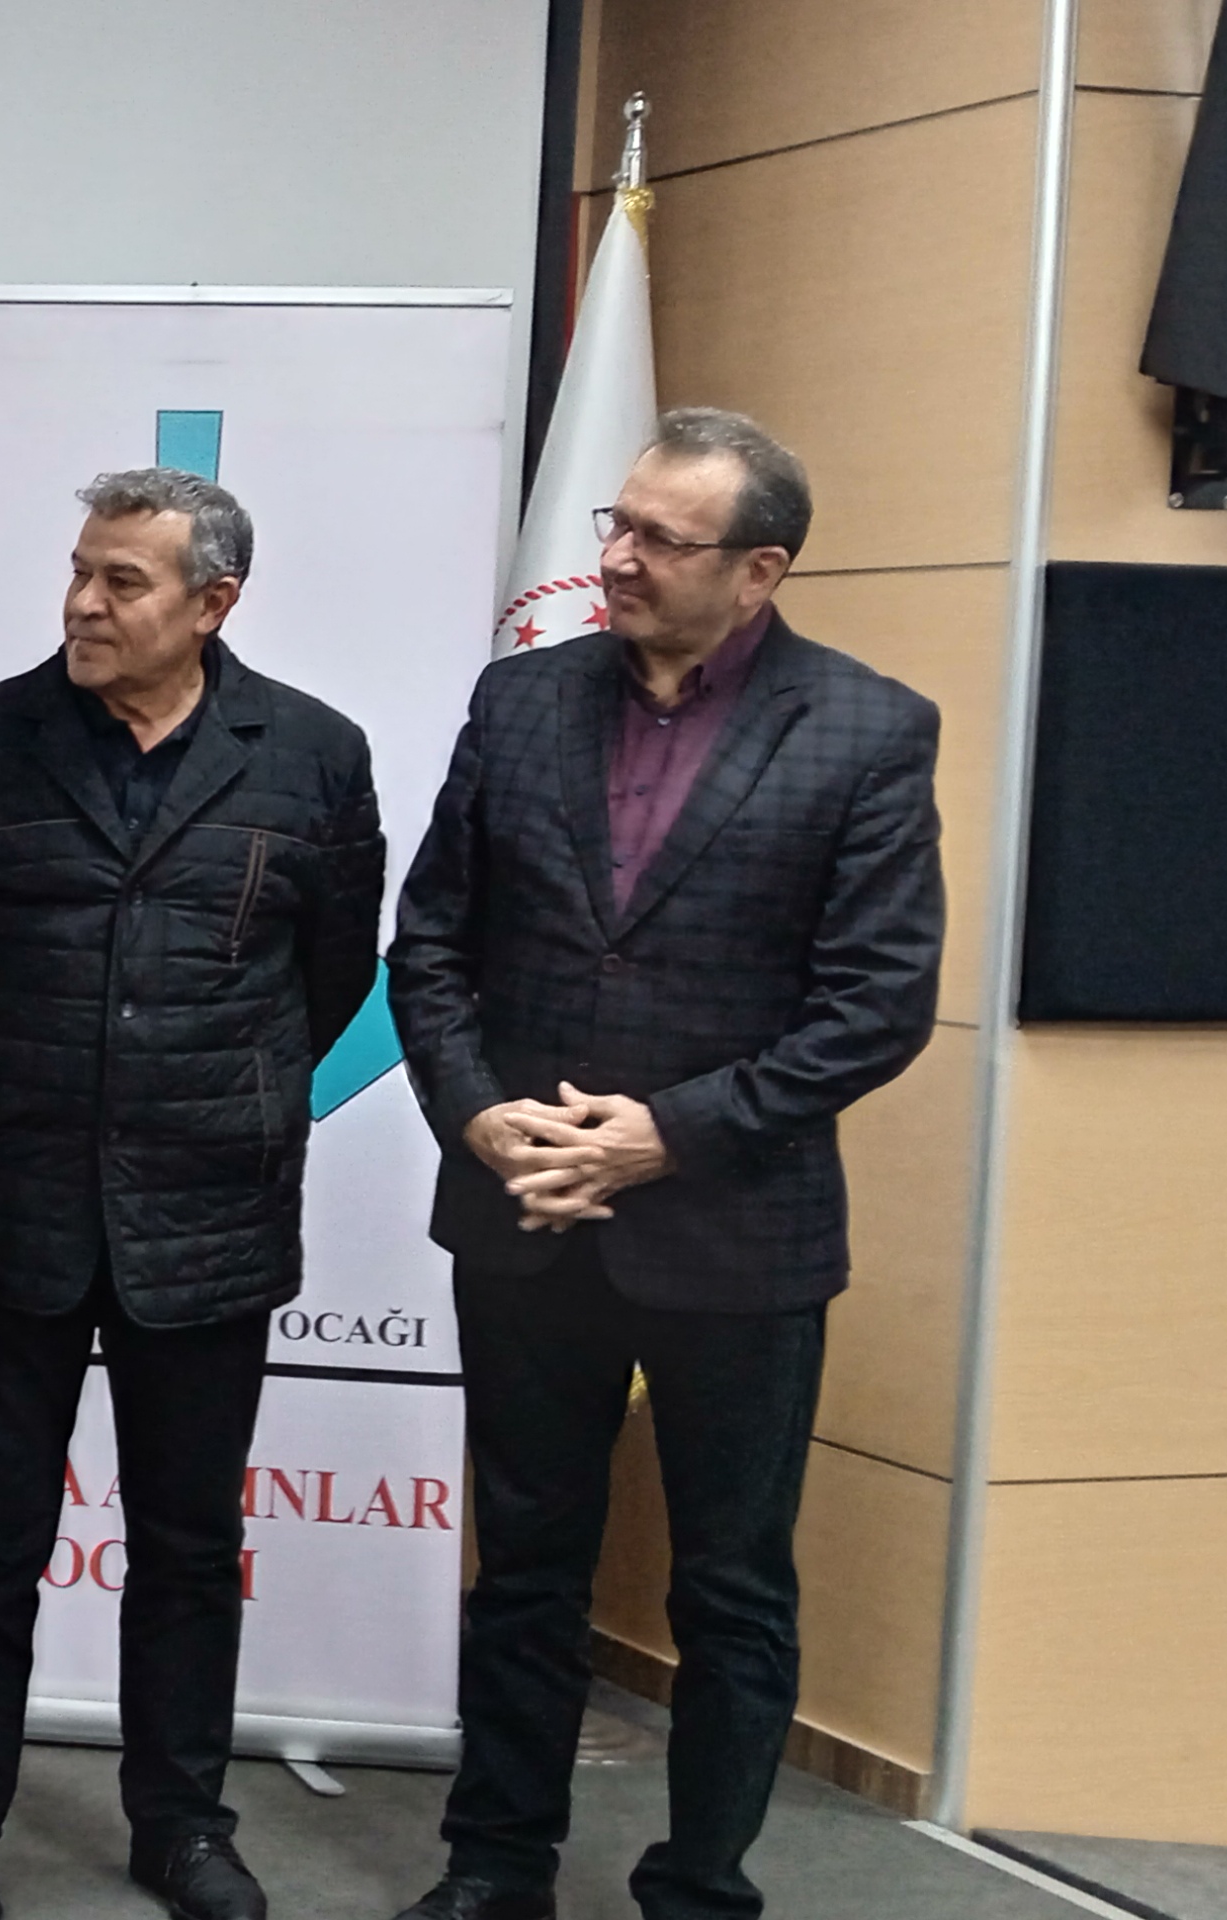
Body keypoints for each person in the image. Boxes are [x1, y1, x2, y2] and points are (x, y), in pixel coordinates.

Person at [383, 409, 942, 1920]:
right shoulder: (519, 703)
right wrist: (481, 1114)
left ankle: (700, 1885)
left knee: (732, 1589)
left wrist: (659, 1138)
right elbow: (431, 942)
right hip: (521, 1213)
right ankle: (495, 1867)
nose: (615, 558)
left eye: (657, 539)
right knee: (527, 1571)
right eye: (613, 526)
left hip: (734, 1238)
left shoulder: (869, 730)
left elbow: (875, 1009)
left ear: (760, 570)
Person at [0, 469, 386, 1920]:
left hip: (207, 1216)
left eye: (125, 583)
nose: (84, 604)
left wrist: (214, 1092)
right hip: (8, 1207)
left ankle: (184, 1827)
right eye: (81, 573)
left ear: (214, 605)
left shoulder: (312, 754)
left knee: (181, 1546)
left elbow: (331, 973)